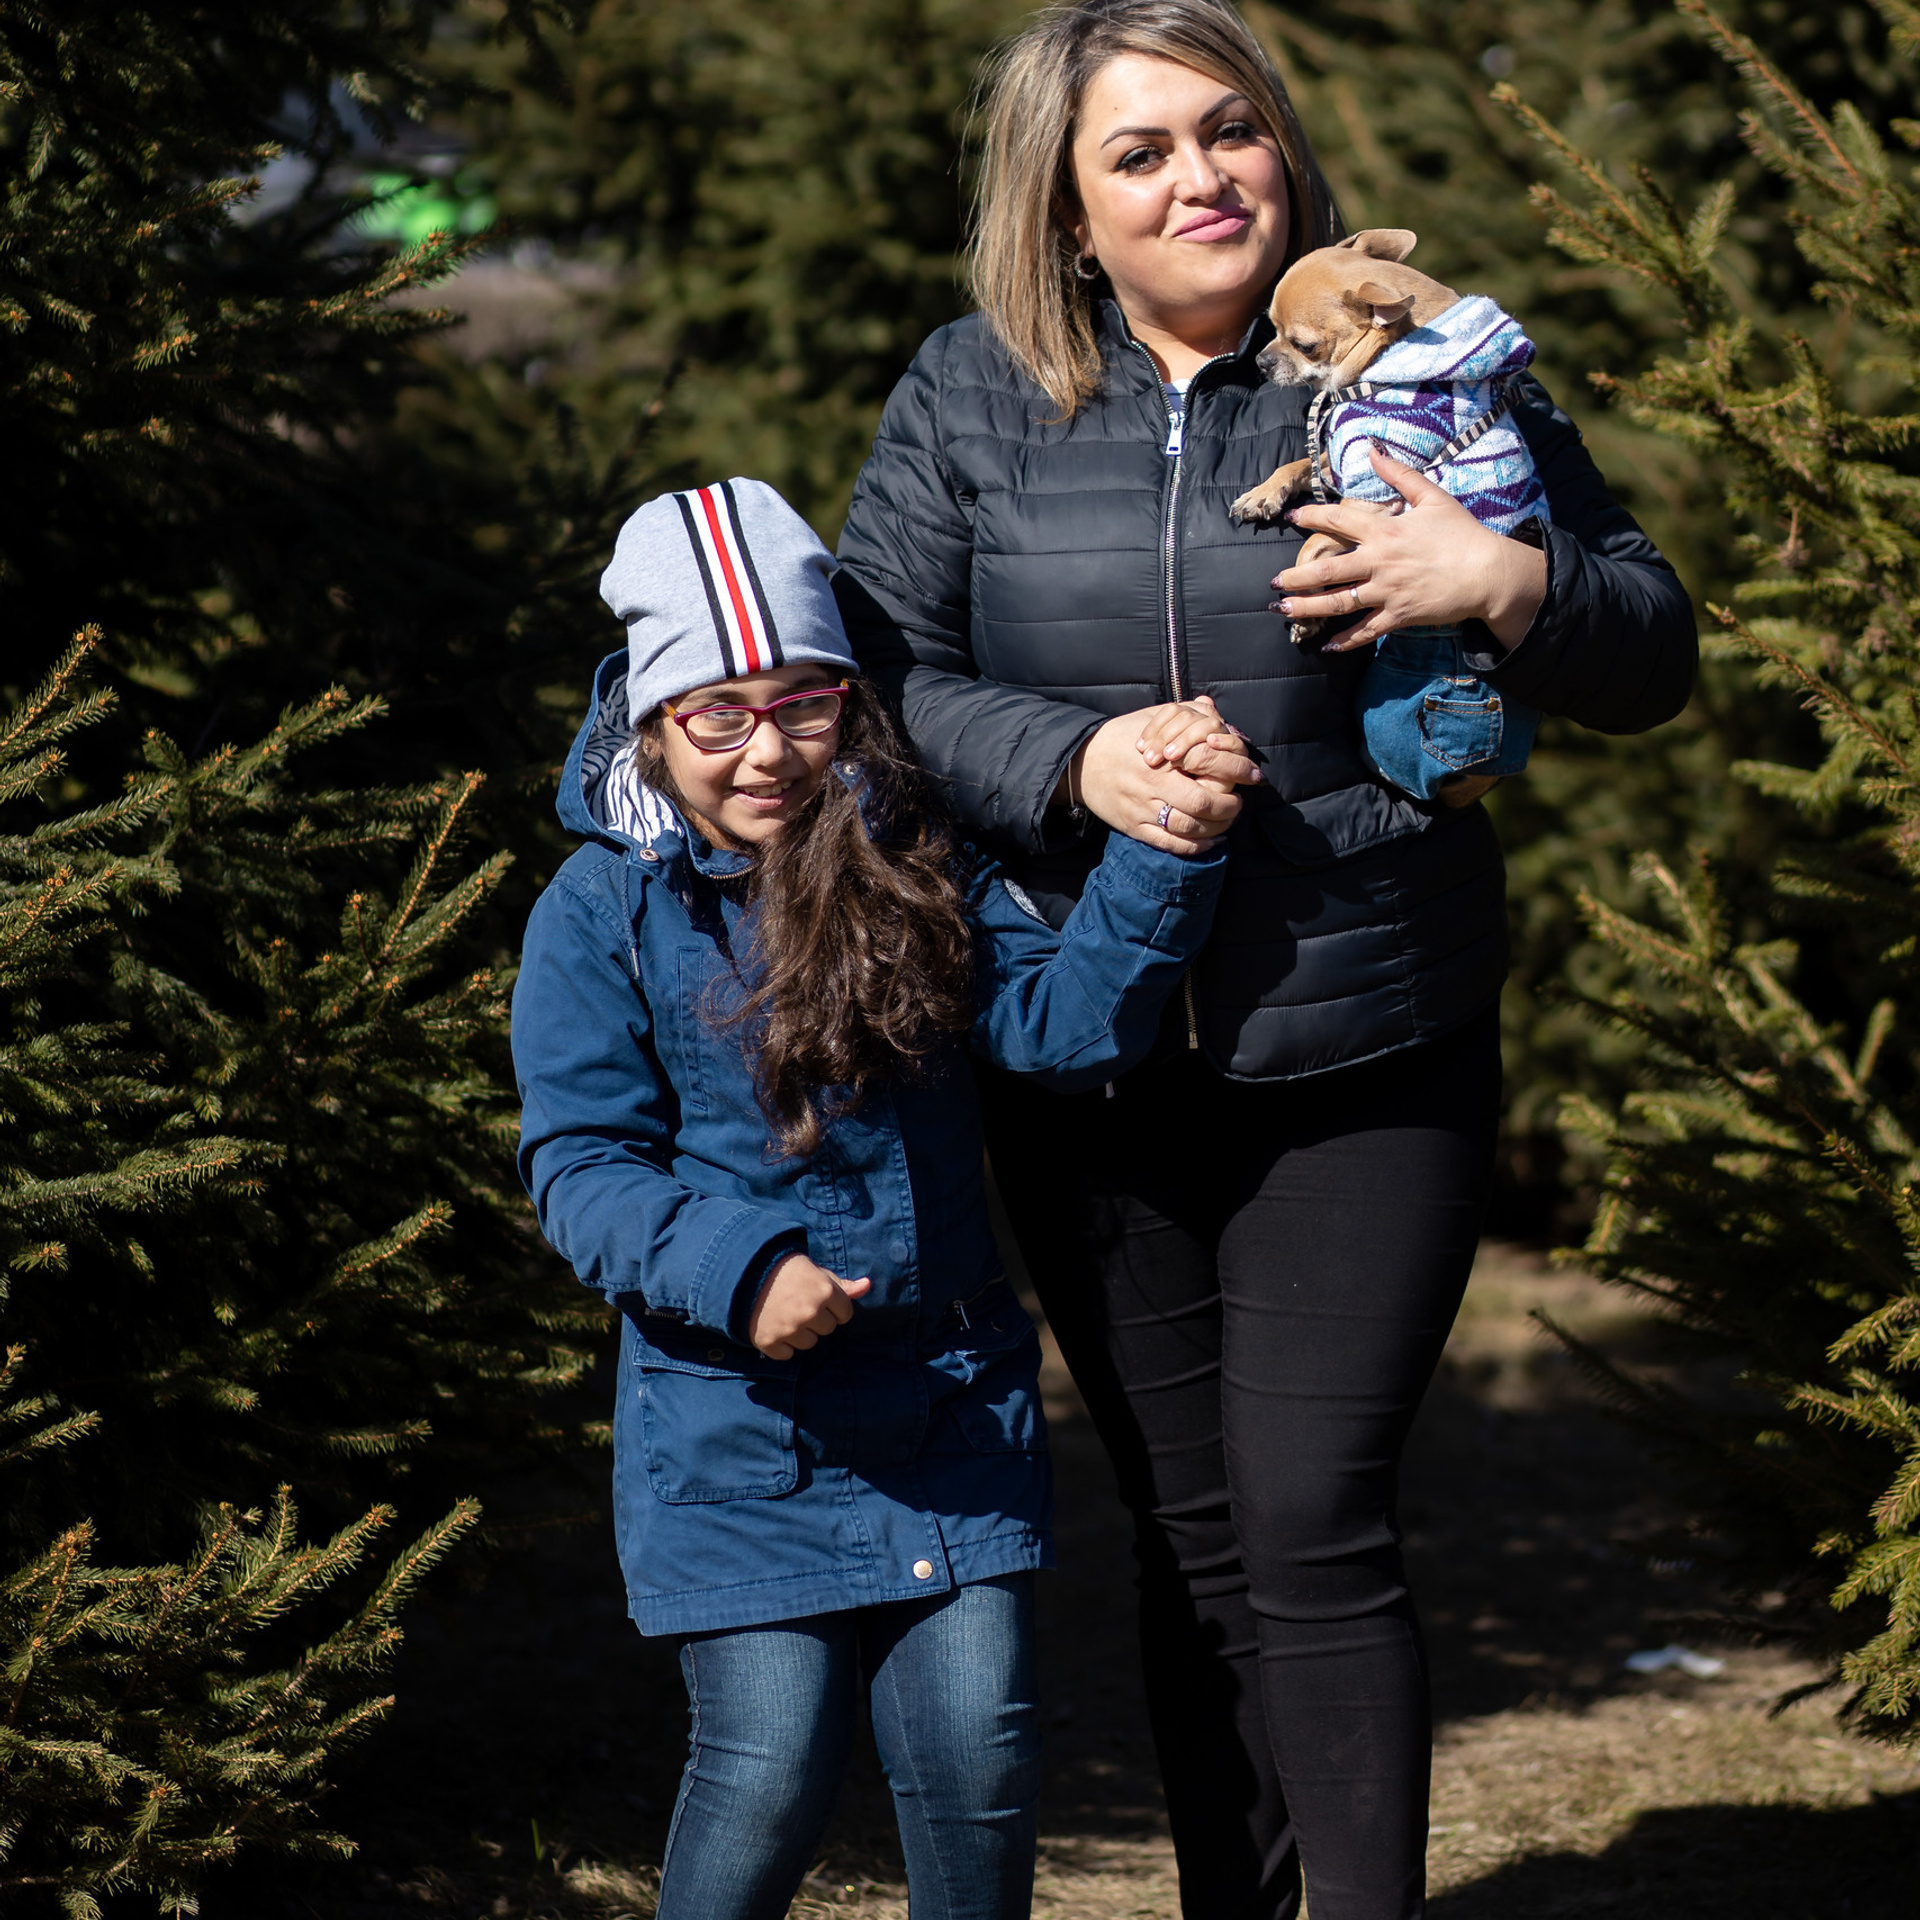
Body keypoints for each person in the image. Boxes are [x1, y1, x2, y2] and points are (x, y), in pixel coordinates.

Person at [831, 4, 1698, 1917]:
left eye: (1233, 132)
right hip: (1084, 1050)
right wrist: (1072, 761)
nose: (1204, 176)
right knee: (1193, 1541)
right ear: (1062, 212)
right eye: (1140, 152)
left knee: (1312, 1526)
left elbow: (1651, 633)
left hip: (1367, 1036)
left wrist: (1511, 587)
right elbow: (873, 681)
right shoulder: (971, 394)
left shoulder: (1415, 358)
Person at [510, 477, 1232, 1920]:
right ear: (653, 722)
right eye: (720, 713)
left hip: (951, 1405)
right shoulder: (600, 911)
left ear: (851, 700)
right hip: (736, 1430)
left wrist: (1165, 858)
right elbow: (581, 1166)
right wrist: (739, 1266)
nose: (766, 750)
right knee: (768, 1765)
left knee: (978, 1760)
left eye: (804, 702)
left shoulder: (917, 861)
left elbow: (1064, 1033)